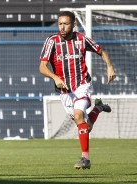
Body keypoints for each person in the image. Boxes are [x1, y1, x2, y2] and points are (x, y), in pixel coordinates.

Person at [39, 11, 116, 169]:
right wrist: (56, 78)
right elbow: (42, 67)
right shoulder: (51, 41)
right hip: (66, 92)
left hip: (82, 85)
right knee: (85, 126)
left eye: (66, 23)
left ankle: (85, 159)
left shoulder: (81, 39)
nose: (62, 27)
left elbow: (101, 51)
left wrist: (109, 67)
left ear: (73, 24)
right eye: (60, 23)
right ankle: (99, 108)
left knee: (78, 114)